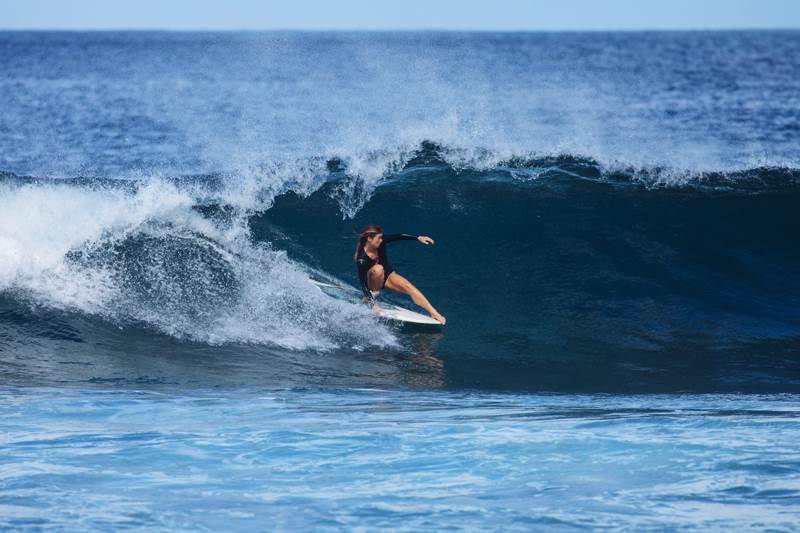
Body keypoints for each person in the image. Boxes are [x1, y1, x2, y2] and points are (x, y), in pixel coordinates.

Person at [354, 223, 446, 325]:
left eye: (381, 237)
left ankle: (434, 312)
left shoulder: (381, 241)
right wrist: (373, 305)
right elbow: (363, 283)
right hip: (372, 282)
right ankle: (370, 298)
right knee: (378, 269)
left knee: (408, 286)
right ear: (369, 239)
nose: (381, 240)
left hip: (387, 275)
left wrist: (418, 238)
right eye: (379, 238)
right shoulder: (361, 259)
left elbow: (398, 236)